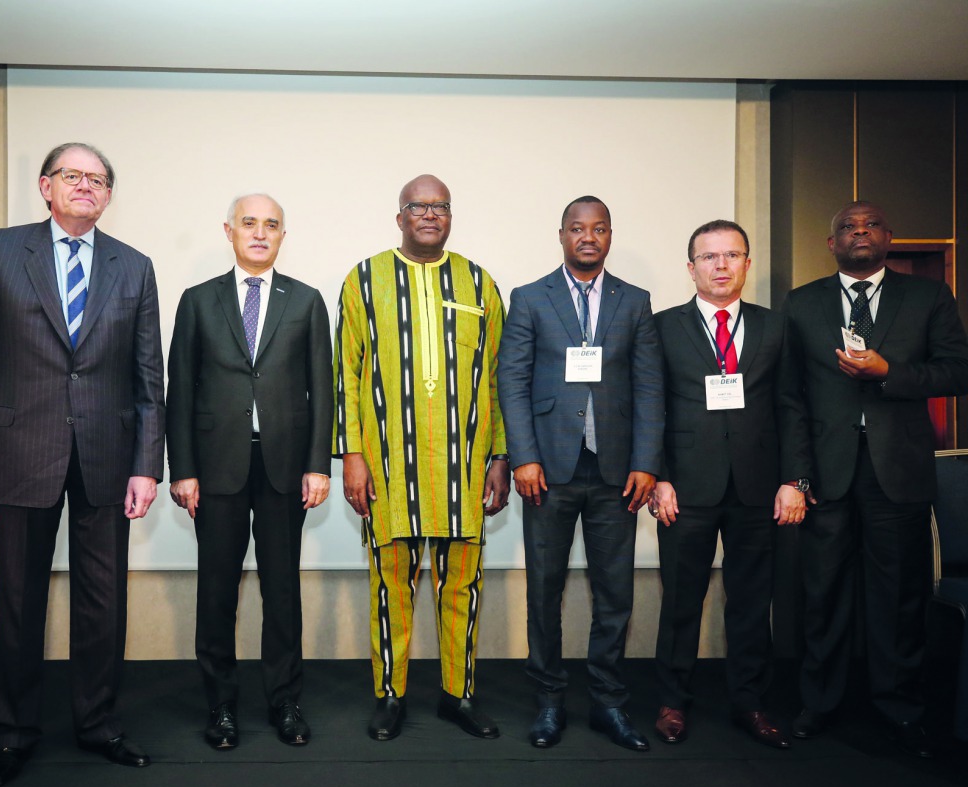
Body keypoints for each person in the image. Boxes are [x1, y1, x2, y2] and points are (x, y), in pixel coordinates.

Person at [0, 142, 165, 787]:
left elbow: (148, 377)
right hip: (17, 453)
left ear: (108, 195)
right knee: (18, 599)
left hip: (107, 456)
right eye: (73, 176)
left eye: (98, 180)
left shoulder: (136, 266)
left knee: (104, 604)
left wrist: (146, 464)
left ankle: (98, 725)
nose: (86, 187)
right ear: (46, 186)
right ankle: (12, 733)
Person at [783, 201, 968, 758]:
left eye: (869, 226)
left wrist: (891, 373)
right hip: (827, 471)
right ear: (831, 242)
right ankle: (820, 702)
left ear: (889, 237)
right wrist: (797, 475)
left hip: (899, 471)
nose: (858, 233)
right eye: (847, 226)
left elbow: (957, 371)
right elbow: (791, 399)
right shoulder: (802, 302)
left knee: (899, 597)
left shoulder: (928, 296)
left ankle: (899, 708)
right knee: (824, 593)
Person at [333, 174, 510, 741]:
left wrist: (501, 455)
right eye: (418, 206)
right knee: (391, 586)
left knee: (462, 588)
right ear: (400, 216)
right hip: (390, 467)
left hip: (463, 466)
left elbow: (499, 378)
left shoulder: (479, 283)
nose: (430, 215)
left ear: (451, 216)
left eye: (440, 206)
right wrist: (352, 454)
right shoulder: (364, 279)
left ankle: (459, 695)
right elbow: (348, 374)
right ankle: (391, 695)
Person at [166, 193, 333, 749]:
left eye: (272, 225)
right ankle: (221, 707)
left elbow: (322, 390)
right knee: (217, 593)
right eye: (249, 223)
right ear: (229, 231)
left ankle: (285, 703)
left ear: (283, 235)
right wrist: (182, 469)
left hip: (285, 468)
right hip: (216, 470)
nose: (260, 233)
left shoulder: (306, 301)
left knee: (283, 593)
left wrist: (318, 465)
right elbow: (180, 392)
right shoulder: (197, 300)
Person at [497, 195, 663, 751]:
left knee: (614, 591)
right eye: (577, 228)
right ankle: (548, 701)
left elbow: (648, 387)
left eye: (598, 229)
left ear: (610, 235)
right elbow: (512, 382)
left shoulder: (634, 301)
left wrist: (645, 461)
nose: (587, 237)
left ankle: (609, 704)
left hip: (617, 472)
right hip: (548, 469)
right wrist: (523, 456)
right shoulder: (529, 298)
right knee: (545, 590)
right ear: (561, 235)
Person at [649, 220, 809, 749]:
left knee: (749, 601)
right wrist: (659, 477)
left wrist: (794, 480)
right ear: (690, 267)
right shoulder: (661, 327)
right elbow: (652, 407)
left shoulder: (775, 328)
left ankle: (750, 702)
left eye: (732, 255)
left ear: (747, 263)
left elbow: (791, 407)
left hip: (758, 488)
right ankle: (673, 701)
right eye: (709, 257)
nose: (721, 265)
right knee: (681, 602)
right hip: (685, 489)